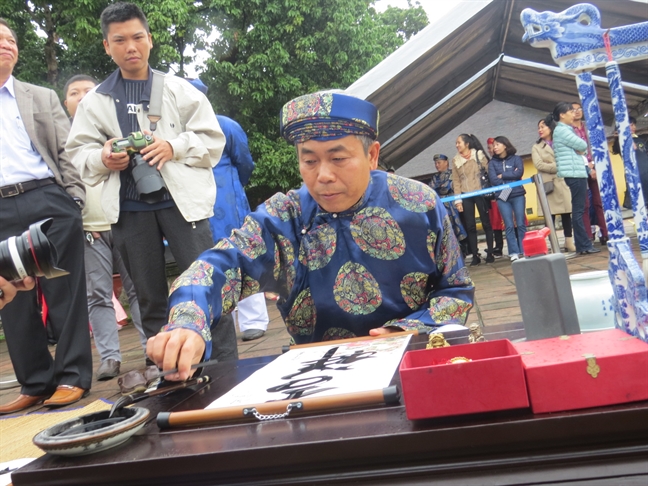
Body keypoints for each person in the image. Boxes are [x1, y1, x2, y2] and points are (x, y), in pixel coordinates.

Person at [146, 91, 475, 381]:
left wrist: (405, 331)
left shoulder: (419, 204)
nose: (324, 176)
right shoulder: (284, 218)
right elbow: (220, 265)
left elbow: (456, 289)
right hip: (320, 375)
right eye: (309, 161)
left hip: (416, 363)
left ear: (372, 155)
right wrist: (188, 321)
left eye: (338, 158)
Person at [66, 3, 237, 365]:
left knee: (205, 285)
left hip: (181, 204)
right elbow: (77, 154)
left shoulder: (180, 89)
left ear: (150, 39)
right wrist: (104, 157)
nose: (131, 47)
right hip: (129, 210)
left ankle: (225, 367)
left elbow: (212, 140)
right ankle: (170, 373)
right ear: (106, 46)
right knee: (150, 299)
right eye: (120, 40)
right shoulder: (94, 102)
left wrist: (172, 146)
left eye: (138, 37)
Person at [0, 18, 92, 414]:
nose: (6, 44)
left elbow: (66, 150)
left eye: (11, 39)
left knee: (63, 291)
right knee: (11, 299)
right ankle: (35, 382)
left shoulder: (39, 96)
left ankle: (72, 377)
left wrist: (74, 200)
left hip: (45, 197)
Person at [64, 74, 146, 380]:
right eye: (75, 92)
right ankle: (110, 358)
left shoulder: (118, 127)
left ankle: (151, 347)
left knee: (140, 288)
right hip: (88, 229)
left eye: (89, 90)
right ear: (66, 102)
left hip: (126, 219)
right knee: (97, 294)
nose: (83, 96)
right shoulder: (62, 141)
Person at [186, 77, 269, 342]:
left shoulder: (225, 125)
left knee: (243, 253)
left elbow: (244, 162)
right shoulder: (173, 134)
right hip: (193, 204)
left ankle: (253, 319)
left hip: (227, 199)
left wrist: (234, 188)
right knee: (207, 259)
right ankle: (217, 321)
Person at [551, 102, 600, 255]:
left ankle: (582, 244)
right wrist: (580, 149)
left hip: (575, 172)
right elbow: (582, 144)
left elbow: (581, 148)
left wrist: (580, 149)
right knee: (578, 210)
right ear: (562, 115)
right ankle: (584, 244)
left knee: (579, 209)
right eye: (571, 111)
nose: (574, 114)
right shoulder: (562, 130)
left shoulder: (564, 130)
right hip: (574, 172)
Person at [532, 116, 574, 252]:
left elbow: (568, 157)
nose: (540, 130)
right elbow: (539, 164)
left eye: (542, 126)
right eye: (538, 127)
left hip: (563, 182)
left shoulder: (560, 142)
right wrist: (557, 166)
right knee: (550, 216)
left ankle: (569, 241)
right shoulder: (536, 147)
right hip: (548, 184)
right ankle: (552, 244)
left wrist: (553, 165)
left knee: (567, 213)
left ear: (551, 127)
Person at [451, 134, 495, 265]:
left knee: (486, 223)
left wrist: (493, 193)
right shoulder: (455, 160)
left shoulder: (479, 155)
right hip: (465, 195)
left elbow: (489, 171)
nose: (457, 145)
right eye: (456, 143)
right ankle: (475, 255)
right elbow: (456, 181)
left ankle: (490, 252)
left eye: (459, 142)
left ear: (467, 144)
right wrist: (458, 201)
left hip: (481, 193)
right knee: (470, 226)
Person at [571, 101, 608, 245]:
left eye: (579, 109)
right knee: (584, 204)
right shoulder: (569, 131)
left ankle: (605, 233)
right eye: (573, 110)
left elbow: (597, 146)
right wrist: (588, 167)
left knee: (599, 202)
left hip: (595, 165)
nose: (577, 112)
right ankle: (588, 237)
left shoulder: (588, 128)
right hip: (580, 168)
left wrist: (595, 165)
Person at [487, 137, 527, 261]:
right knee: (508, 225)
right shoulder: (492, 163)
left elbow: (519, 173)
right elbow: (493, 180)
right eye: (494, 145)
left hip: (518, 194)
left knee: (520, 223)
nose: (495, 147)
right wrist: (510, 177)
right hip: (502, 197)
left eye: (497, 144)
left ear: (505, 145)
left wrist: (503, 175)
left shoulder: (516, 159)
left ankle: (525, 250)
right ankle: (513, 252)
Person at [429, 154, 467, 246]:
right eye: (436, 163)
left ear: (446, 163)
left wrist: (439, 189)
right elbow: (430, 189)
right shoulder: (435, 177)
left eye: (439, 162)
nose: (437, 165)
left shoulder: (452, 174)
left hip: (452, 203)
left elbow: (446, 188)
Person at [612, 116, 648, 207]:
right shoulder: (620, 142)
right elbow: (633, 147)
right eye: (630, 125)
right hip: (635, 174)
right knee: (638, 204)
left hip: (645, 173)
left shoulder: (639, 139)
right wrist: (623, 135)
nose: (634, 127)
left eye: (634, 125)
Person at [486, 137, 504, 258]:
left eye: (491, 147)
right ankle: (498, 247)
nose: (490, 150)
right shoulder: (490, 162)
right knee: (496, 223)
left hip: (508, 192)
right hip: (494, 195)